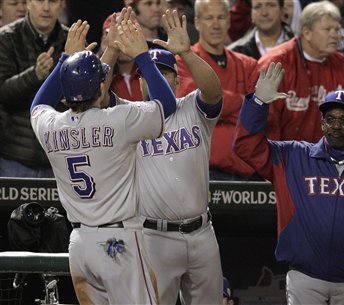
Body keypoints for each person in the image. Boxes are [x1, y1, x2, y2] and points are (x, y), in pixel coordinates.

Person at [30, 9, 175, 303]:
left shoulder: (50, 125)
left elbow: (38, 104)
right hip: (119, 242)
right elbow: (167, 106)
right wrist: (142, 56)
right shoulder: (118, 119)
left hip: (80, 246)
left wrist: (64, 61)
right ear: (101, 87)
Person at [234, 62, 344, 305]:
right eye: (330, 119)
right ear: (322, 122)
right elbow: (245, 147)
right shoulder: (292, 156)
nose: (336, 126)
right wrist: (257, 104)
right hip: (305, 276)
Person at [107, 10, 224, 304]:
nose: (153, 79)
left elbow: (213, 92)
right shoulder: (127, 115)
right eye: (147, 74)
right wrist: (111, 50)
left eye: (164, 72)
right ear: (139, 81)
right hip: (153, 236)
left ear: (176, 79)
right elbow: (96, 95)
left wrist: (186, 52)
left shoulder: (191, 108)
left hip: (202, 232)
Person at [176, 0, 260, 181]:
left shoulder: (248, 65)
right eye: (209, 18)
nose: (216, 25)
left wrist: (218, 106)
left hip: (247, 174)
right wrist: (243, 101)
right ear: (197, 23)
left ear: (229, 21)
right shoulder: (183, 62)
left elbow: (260, 114)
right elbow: (194, 107)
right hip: (200, 173)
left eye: (221, 17)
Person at [257, 0, 344, 142]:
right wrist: (275, 162)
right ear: (307, 32)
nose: (335, 35)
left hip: (328, 158)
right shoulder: (275, 63)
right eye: (327, 29)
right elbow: (264, 122)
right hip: (284, 156)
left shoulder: (342, 64)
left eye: (337, 29)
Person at [0, 0, 66, 178]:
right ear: (28, 3)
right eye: (39, 1)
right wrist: (35, 75)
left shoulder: (73, 40)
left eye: (52, 1)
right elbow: (3, 93)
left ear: (62, 5)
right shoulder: (6, 38)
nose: (46, 8)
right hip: (16, 157)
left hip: (59, 157)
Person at [228, 0, 295, 60]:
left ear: (282, 10)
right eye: (257, 7)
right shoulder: (235, 53)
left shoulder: (300, 47)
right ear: (251, 14)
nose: (264, 13)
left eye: (270, 5)